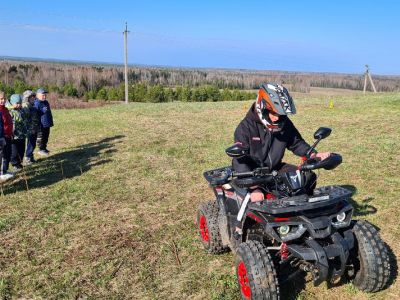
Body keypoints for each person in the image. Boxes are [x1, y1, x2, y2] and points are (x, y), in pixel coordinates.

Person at [233, 83, 331, 203]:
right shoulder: (245, 128)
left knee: (307, 178)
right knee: (258, 198)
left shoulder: (284, 124)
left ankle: (303, 211)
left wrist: (313, 154)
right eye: (273, 113)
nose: (277, 118)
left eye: (280, 114)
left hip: (274, 169)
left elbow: (296, 143)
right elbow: (240, 160)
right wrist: (254, 188)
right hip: (251, 174)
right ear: (262, 107)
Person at [7, 94, 28, 171]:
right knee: (14, 152)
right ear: (12, 103)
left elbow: (26, 119)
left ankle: (19, 163)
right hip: (14, 136)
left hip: (22, 135)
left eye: (20, 103)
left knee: (21, 150)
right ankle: (15, 164)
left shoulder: (21, 110)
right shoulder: (10, 112)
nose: (19, 105)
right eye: (17, 103)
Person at [34, 88, 53, 156]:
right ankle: (41, 149)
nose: (44, 96)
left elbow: (48, 112)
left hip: (47, 123)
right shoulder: (36, 103)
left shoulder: (46, 102)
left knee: (46, 136)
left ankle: (44, 148)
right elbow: (35, 114)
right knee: (41, 137)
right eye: (43, 95)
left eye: (45, 95)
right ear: (37, 95)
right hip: (41, 124)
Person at [22, 90, 40, 164]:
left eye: (33, 96)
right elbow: (26, 119)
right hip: (30, 129)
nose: (33, 98)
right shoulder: (26, 105)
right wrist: (30, 129)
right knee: (31, 143)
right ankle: (28, 158)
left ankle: (30, 156)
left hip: (34, 128)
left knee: (32, 143)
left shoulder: (32, 105)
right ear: (27, 98)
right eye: (31, 97)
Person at [0, 91, 14, 181]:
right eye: (1, 99)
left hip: (8, 135)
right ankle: (2, 173)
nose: (3, 100)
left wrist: (11, 132)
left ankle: (5, 170)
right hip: (2, 136)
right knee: (3, 155)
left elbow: (9, 122)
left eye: (4, 99)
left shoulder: (5, 109)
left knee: (8, 153)